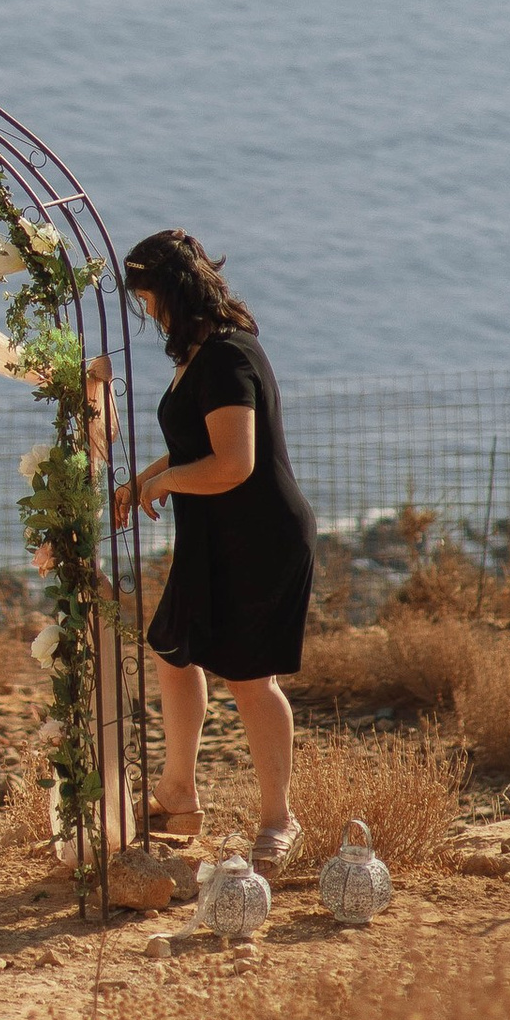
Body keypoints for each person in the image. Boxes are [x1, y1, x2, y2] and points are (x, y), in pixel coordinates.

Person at [112, 227, 315, 856]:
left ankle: (279, 821)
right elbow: (193, 445)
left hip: (260, 538)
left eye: (146, 295)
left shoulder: (228, 356)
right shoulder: (198, 355)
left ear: (171, 291)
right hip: (213, 538)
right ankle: (178, 795)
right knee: (175, 651)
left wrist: (168, 479)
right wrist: (142, 481)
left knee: (251, 680)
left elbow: (234, 463)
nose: (143, 309)